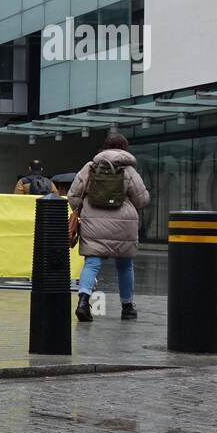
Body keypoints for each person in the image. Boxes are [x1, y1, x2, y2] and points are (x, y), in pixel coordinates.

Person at [66, 132, 150, 322]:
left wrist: (89, 207)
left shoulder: (90, 167)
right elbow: (142, 199)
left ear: (105, 147)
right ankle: (127, 307)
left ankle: (83, 302)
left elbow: (73, 196)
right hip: (124, 225)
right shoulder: (128, 170)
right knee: (125, 265)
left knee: (92, 263)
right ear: (125, 149)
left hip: (93, 223)